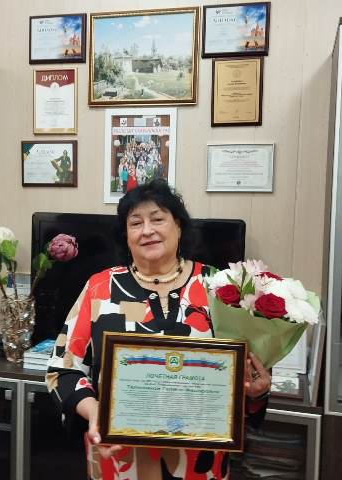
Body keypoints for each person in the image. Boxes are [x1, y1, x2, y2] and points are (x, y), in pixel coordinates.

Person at [46, 179, 271, 480]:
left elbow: (238, 374)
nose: (147, 230)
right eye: (135, 223)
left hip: (200, 464)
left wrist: (255, 392)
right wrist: (95, 411)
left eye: (158, 219)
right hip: (120, 461)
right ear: (125, 235)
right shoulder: (100, 288)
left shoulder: (219, 287)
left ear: (178, 226)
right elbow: (63, 371)